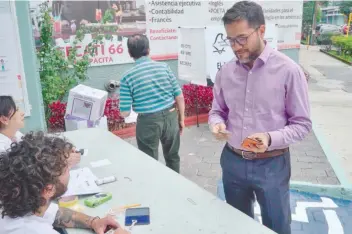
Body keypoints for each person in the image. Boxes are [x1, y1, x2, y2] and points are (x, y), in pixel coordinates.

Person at [209, 1, 312, 234]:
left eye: (242, 38)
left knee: (276, 226)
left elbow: (302, 124)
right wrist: (216, 124)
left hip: (272, 165)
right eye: (231, 40)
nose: (236, 47)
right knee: (237, 225)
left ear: (261, 31)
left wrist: (269, 137)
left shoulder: (288, 71)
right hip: (233, 161)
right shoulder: (226, 72)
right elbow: (217, 110)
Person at [0, 131, 129, 234]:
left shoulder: (19, 200)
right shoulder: (34, 230)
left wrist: (93, 222)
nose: (69, 170)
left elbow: (55, 213)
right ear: (48, 189)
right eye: (66, 168)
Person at [119, 34, 185, 173]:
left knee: (149, 161)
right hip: (171, 116)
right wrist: (182, 119)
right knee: (173, 156)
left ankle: (154, 189)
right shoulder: (164, 67)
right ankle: (176, 187)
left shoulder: (127, 77)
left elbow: (124, 112)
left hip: (148, 122)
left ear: (130, 53)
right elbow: (179, 96)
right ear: (148, 50)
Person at [0, 96, 81, 167]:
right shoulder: (1, 150)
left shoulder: (16, 134)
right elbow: (24, 173)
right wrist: (62, 162)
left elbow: (36, 149)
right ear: (4, 119)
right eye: (17, 110)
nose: (22, 113)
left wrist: (61, 150)